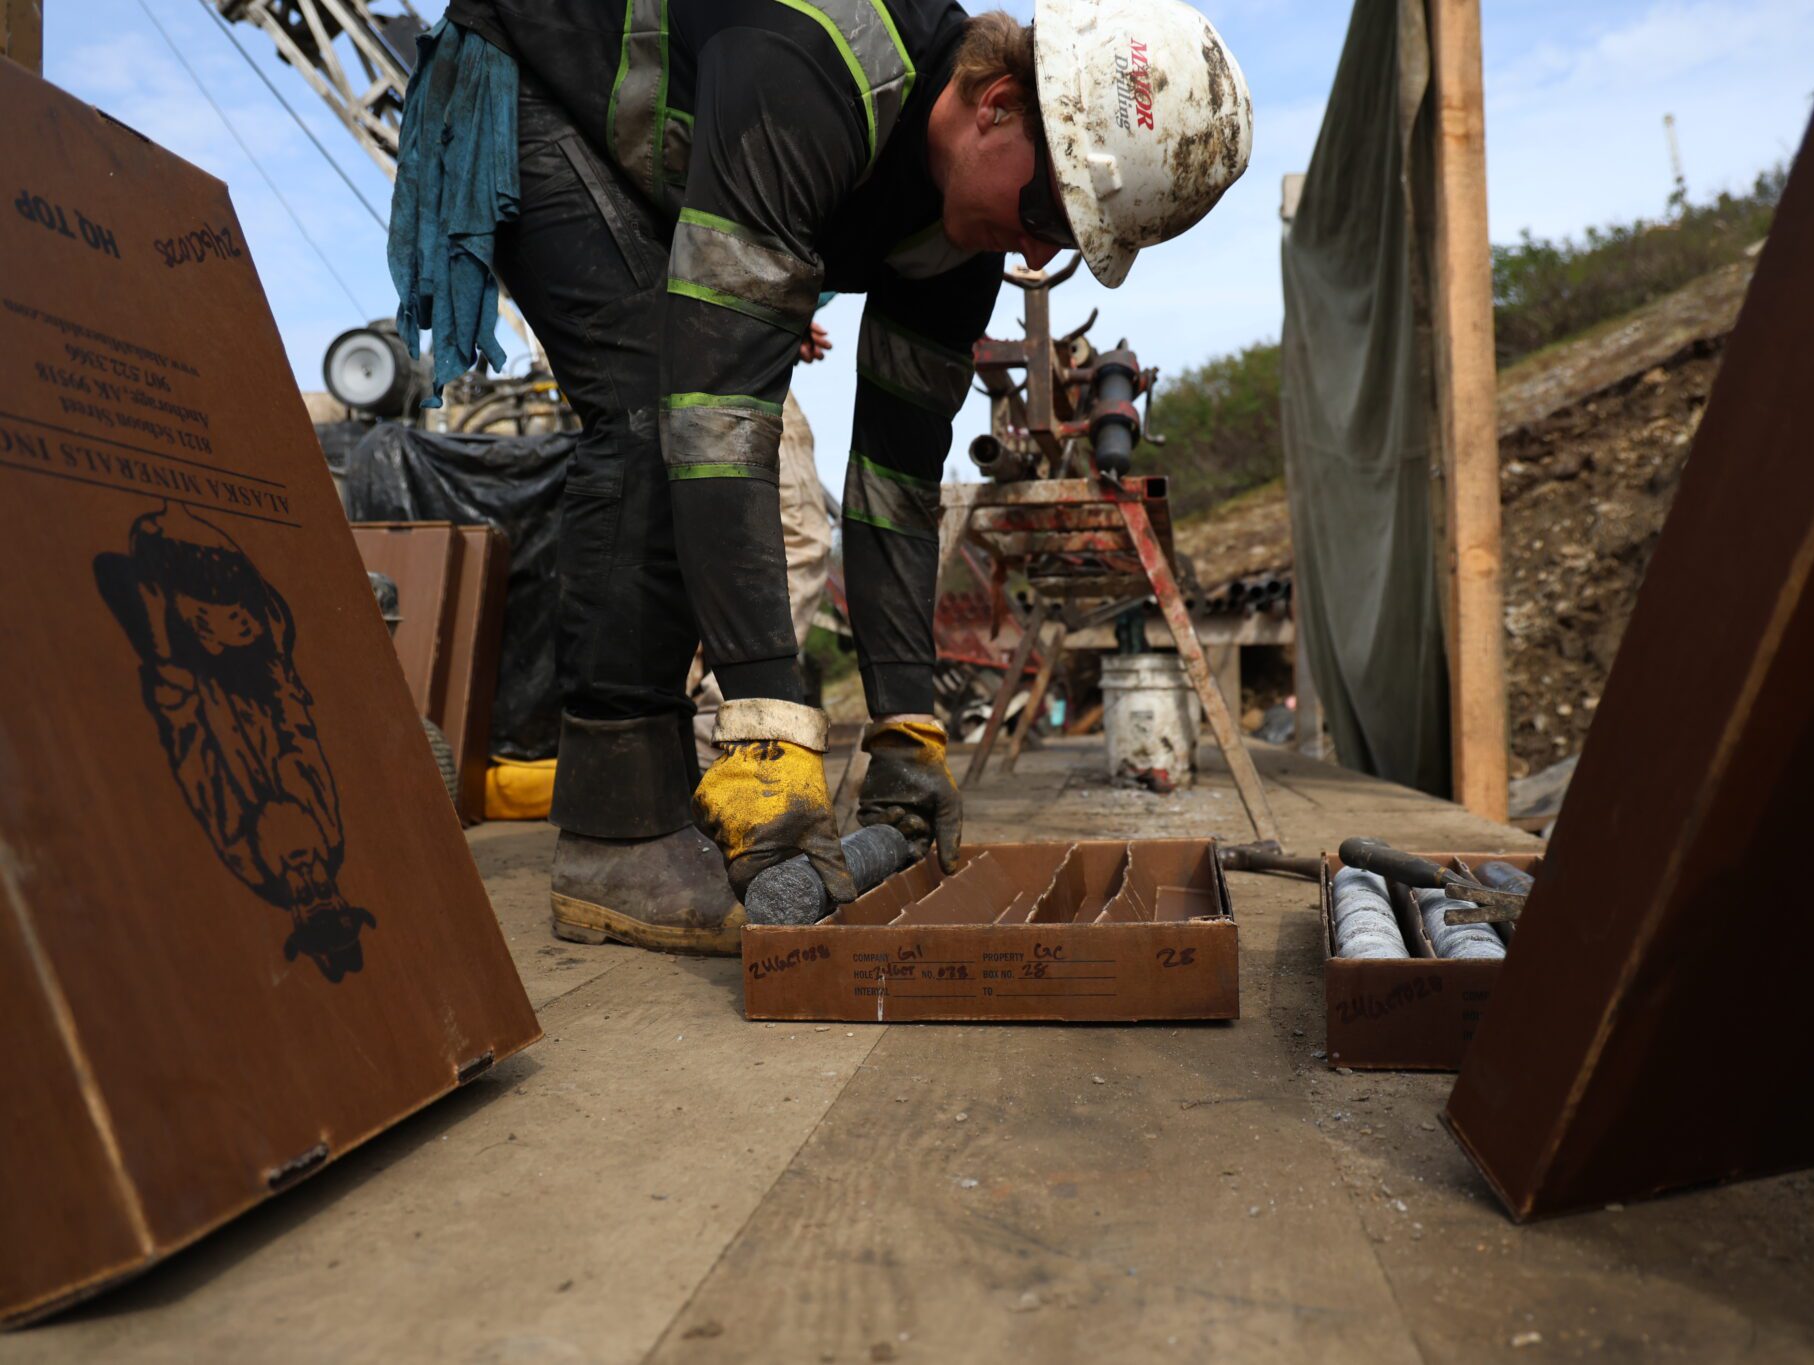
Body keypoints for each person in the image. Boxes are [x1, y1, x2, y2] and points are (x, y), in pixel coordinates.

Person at [393, 0, 1252, 953]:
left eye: (1068, 247)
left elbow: (894, 486)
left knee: (681, 404)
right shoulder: (819, 66)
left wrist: (907, 728)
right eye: (1047, 212)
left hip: (653, 161)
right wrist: (768, 721)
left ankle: (648, 805)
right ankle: (615, 837)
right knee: (654, 405)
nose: (1038, 252)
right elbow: (716, 416)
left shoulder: (962, 240)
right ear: (998, 105)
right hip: (529, 84)